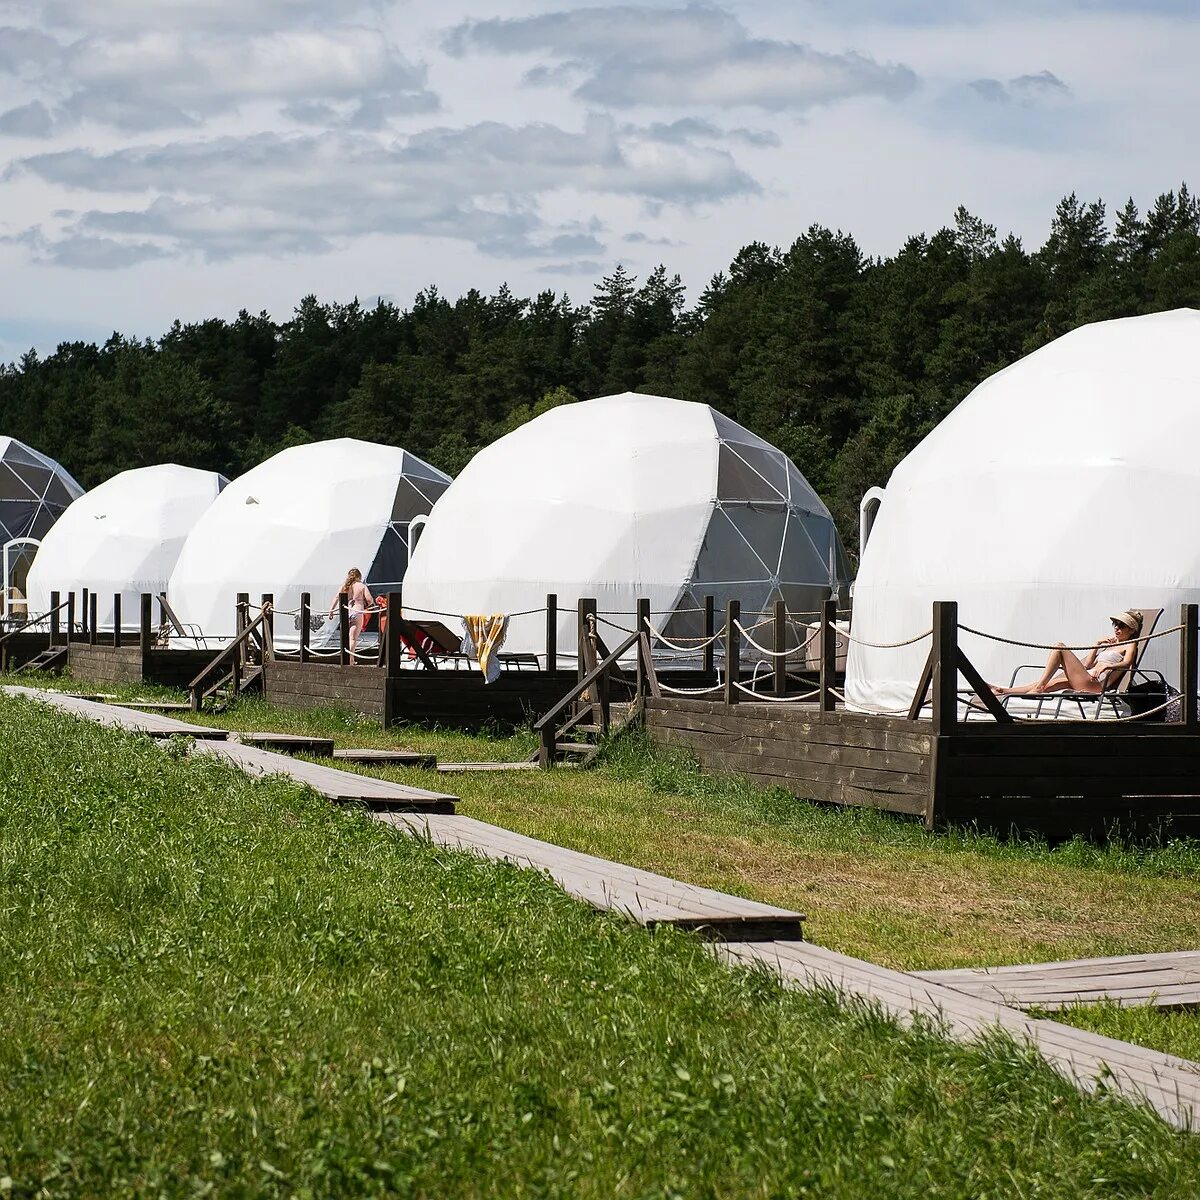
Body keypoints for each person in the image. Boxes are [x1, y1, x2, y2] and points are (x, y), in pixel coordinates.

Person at [992, 610, 1143, 697]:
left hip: (1095, 685)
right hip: (1087, 677)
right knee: (1048, 684)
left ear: (1131, 630)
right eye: (1115, 624)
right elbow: (1088, 664)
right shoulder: (1110, 645)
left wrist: (1107, 667)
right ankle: (1004, 691)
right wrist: (1097, 645)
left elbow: (1127, 662)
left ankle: (1037, 689)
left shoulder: (1131, 644)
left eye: (1121, 626)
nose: (1117, 628)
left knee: (1060, 647)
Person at [329, 567, 375, 664]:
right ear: (359, 576)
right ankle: (350, 660)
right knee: (353, 638)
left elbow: (336, 598)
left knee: (345, 638)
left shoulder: (344, 586)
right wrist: (369, 605)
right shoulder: (361, 586)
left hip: (346, 613)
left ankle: (349, 659)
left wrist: (331, 610)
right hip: (357, 612)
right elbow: (370, 599)